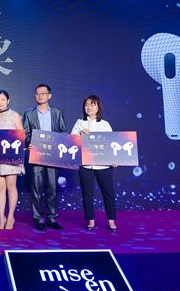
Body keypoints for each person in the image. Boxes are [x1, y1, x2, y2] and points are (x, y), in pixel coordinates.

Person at [22, 83, 68, 231]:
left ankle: (52, 218)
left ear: (49, 95)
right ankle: (38, 218)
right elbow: (25, 134)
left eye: (43, 93)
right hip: (37, 154)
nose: (40, 95)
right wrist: (28, 143)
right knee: (36, 187)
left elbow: (63, 132)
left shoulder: (57, 112)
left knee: (52, 187)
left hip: (53, 155)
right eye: (37, 93)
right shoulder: (29, 113)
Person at [71, 95, 118, 232]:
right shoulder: (79, 123)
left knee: (108, 193)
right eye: (86, 105)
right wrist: (79, 134)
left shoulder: (105, 124)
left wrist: (115, 159)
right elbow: (71, 141)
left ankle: (111, 220)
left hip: (103, 165)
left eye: (92, 104)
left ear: (98, 107)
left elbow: (111, 143)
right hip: (85, 165)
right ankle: (90, 220)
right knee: (87, 193)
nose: (89, 107)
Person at [0, 90, 24, 230]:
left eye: (3, 99)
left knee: (11, 186)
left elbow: (21, 135)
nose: (0, 102)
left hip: (11, 156)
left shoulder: (14, 115)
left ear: (8, 100)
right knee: (0, 187)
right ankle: (1, 217)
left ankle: (11, 216)